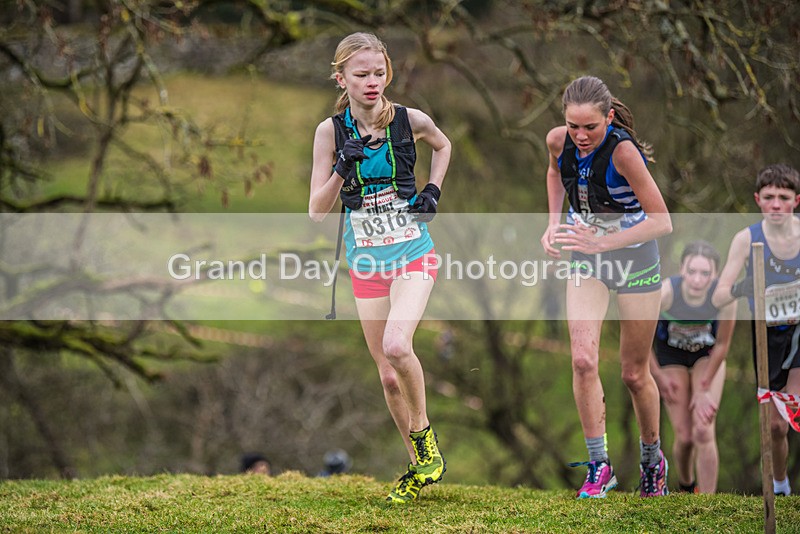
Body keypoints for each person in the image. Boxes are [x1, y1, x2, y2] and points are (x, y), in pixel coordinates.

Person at [308, 32, 451, 504]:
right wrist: (340, 171)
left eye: (378, 73)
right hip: (366, 262)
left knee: (397, 344)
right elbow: (316, 211)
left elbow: (443, 145)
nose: (372, 82)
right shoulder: (330, 132)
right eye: (360, 75)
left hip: (413, 254)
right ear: (341, 78)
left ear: (387, 73)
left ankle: (426, 439)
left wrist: (432, 191)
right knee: (387, 374)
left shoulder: (410, 120)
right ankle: (420, 467)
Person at [540, 75, 673, 498]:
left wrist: (604, 242)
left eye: (590, 128)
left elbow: (662, 221)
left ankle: (653, 461)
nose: (580, 136)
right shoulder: (557, 140)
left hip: (635, 259)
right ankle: (600, 466)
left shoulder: (624, 153)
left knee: (635, 373)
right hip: (587, 257)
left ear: (609, 117)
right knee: (582, 360)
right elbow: (553, 173)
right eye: (573, 126)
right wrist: (553, 223)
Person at [712, 163, 800, 496]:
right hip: (768, 339)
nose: (776, 204)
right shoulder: (746, 239)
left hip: (799, 334)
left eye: (783, 197)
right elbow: (719, 294)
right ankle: (781, 485)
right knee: (777, 426)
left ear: (796, 200)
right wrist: (744, 287)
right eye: (769, 197)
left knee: (795, 410)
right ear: (757, 200)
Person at [649, 241, 737, 494]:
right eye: (692, 271)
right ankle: (687, 486)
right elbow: (639, 344)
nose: (698, 280)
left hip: (706, 357)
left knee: (703, 429)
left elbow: (722, 345)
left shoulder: (723, 296)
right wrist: (658, 378)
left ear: (715, 275)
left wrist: (704, 388)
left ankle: (707, 500)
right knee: (685, 437)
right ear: (681, 270)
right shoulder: (665, 293)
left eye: (705, 273)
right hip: (670, 357)